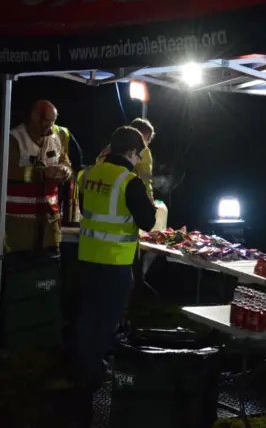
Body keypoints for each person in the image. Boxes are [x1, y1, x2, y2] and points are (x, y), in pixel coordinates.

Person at [73, 126, 156, 399]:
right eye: (138, 155)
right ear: (131, 152)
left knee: (87, 314)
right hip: (115, 261)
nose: (138, 160)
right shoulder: (129, 181)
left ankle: (82, 365)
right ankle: (94, 373)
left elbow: (87, 208)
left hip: (87, 256)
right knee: (106, 318)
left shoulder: (87, 174)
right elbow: (148, 222)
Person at [5, 100, 71, 254]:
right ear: (34, 117)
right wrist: (41, 174)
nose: (50, 125)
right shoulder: (14, 138)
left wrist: (64, 170)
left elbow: (65, 161)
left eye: (53, 121)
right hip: (20, 219)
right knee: (20, 266)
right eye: (46, 121)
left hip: (50, 218)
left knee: (49, 266)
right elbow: (6, 171)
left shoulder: (59, 135)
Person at [97, 117, 155, 201]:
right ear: (144, 136)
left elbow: (99, 165)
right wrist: (151, 202)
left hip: (103, 191)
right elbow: (146, 179)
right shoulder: (144, 151)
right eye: (147, 139)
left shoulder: (112, 146)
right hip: (125, 195)